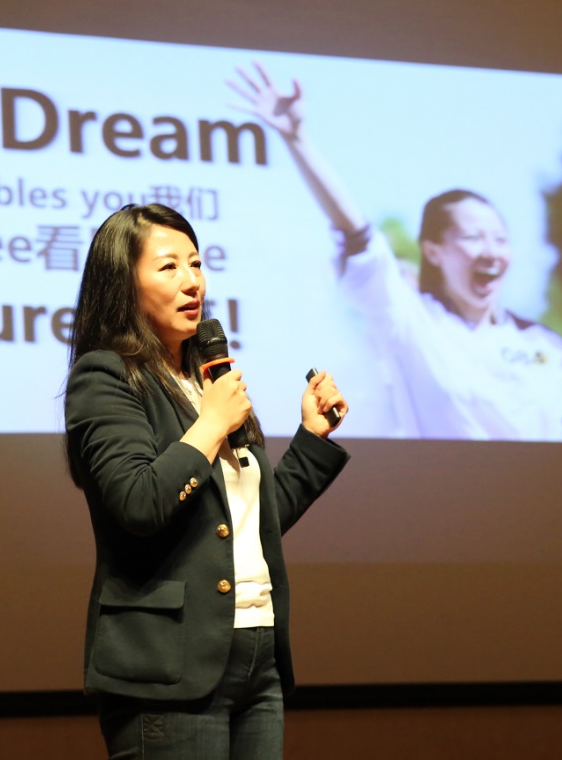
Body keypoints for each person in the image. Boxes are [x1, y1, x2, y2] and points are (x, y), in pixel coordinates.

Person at [64, 204, 351, 758]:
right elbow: (138, 502)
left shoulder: (206, 381)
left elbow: (252, 520)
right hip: (168, 666)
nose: (192, 281)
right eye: (169, 266)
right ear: (124, 284)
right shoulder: (106, 376)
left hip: (257, 653)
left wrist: (312, 437)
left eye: (196, 263)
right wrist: (211, 424)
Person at [228, 63, 562, 441]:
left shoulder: (547, 347)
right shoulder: (412, 324)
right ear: (433, 251)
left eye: (500, 238)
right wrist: (297, 139)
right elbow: (357, 235)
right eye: (473, 237)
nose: (491, 251)